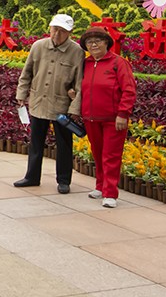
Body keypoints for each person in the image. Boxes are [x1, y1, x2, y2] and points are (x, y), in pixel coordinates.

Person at [14, 14, 83, 194]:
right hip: (39, 101)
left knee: (64, 144)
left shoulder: (77, 52)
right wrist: (21, 94)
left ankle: (64, 180)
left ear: (70, 32)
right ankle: (31, 177)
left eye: (62, 31)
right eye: (55, 29)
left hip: (62, 106)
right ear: (50, 29)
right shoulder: (38, 46)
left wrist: (75, 108)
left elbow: (79, 83)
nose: (57, 34)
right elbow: (27, 73)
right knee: (36, 143)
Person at [78, 27, 137, 209]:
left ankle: (110, 193)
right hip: (90, 117)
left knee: (111, 156)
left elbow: (129, 90)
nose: (93, 45)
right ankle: (100, 186)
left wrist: (123, 114)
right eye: (89, 42)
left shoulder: (119, 63)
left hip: (113, 119)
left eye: (98, 41)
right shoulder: (86, 63)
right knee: (97, 153)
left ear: (106, 43)